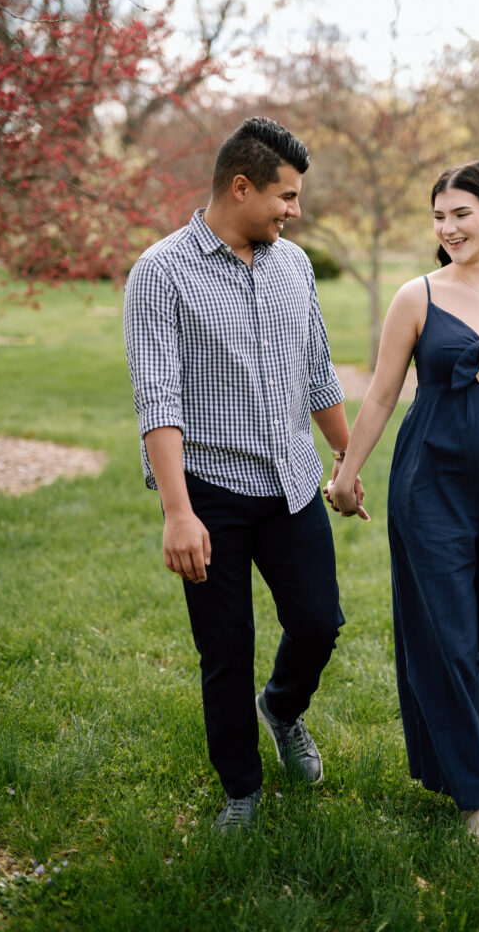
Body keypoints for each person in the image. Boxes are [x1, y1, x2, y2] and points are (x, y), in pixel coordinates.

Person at [124, 117, 368, 832]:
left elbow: (317, 370)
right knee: (225, 650)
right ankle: (242, 788)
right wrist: (178, 512)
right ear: (241, 186)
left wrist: (346, 463)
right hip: (210, 495)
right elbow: (158, 398)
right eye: (286, 196)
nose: (295, 210)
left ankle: (283, 709)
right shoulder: (161, 272)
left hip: (291, 485)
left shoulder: (292, 266)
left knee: (319, 624)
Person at [326, 160, 479, 844]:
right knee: (450, 644)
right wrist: (346, 473)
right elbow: (379, 396)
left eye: (460, 213)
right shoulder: (417, 297)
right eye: (438, 216)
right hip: (431, 485)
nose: (448, 227)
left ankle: (442, 746)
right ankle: (473, 796)